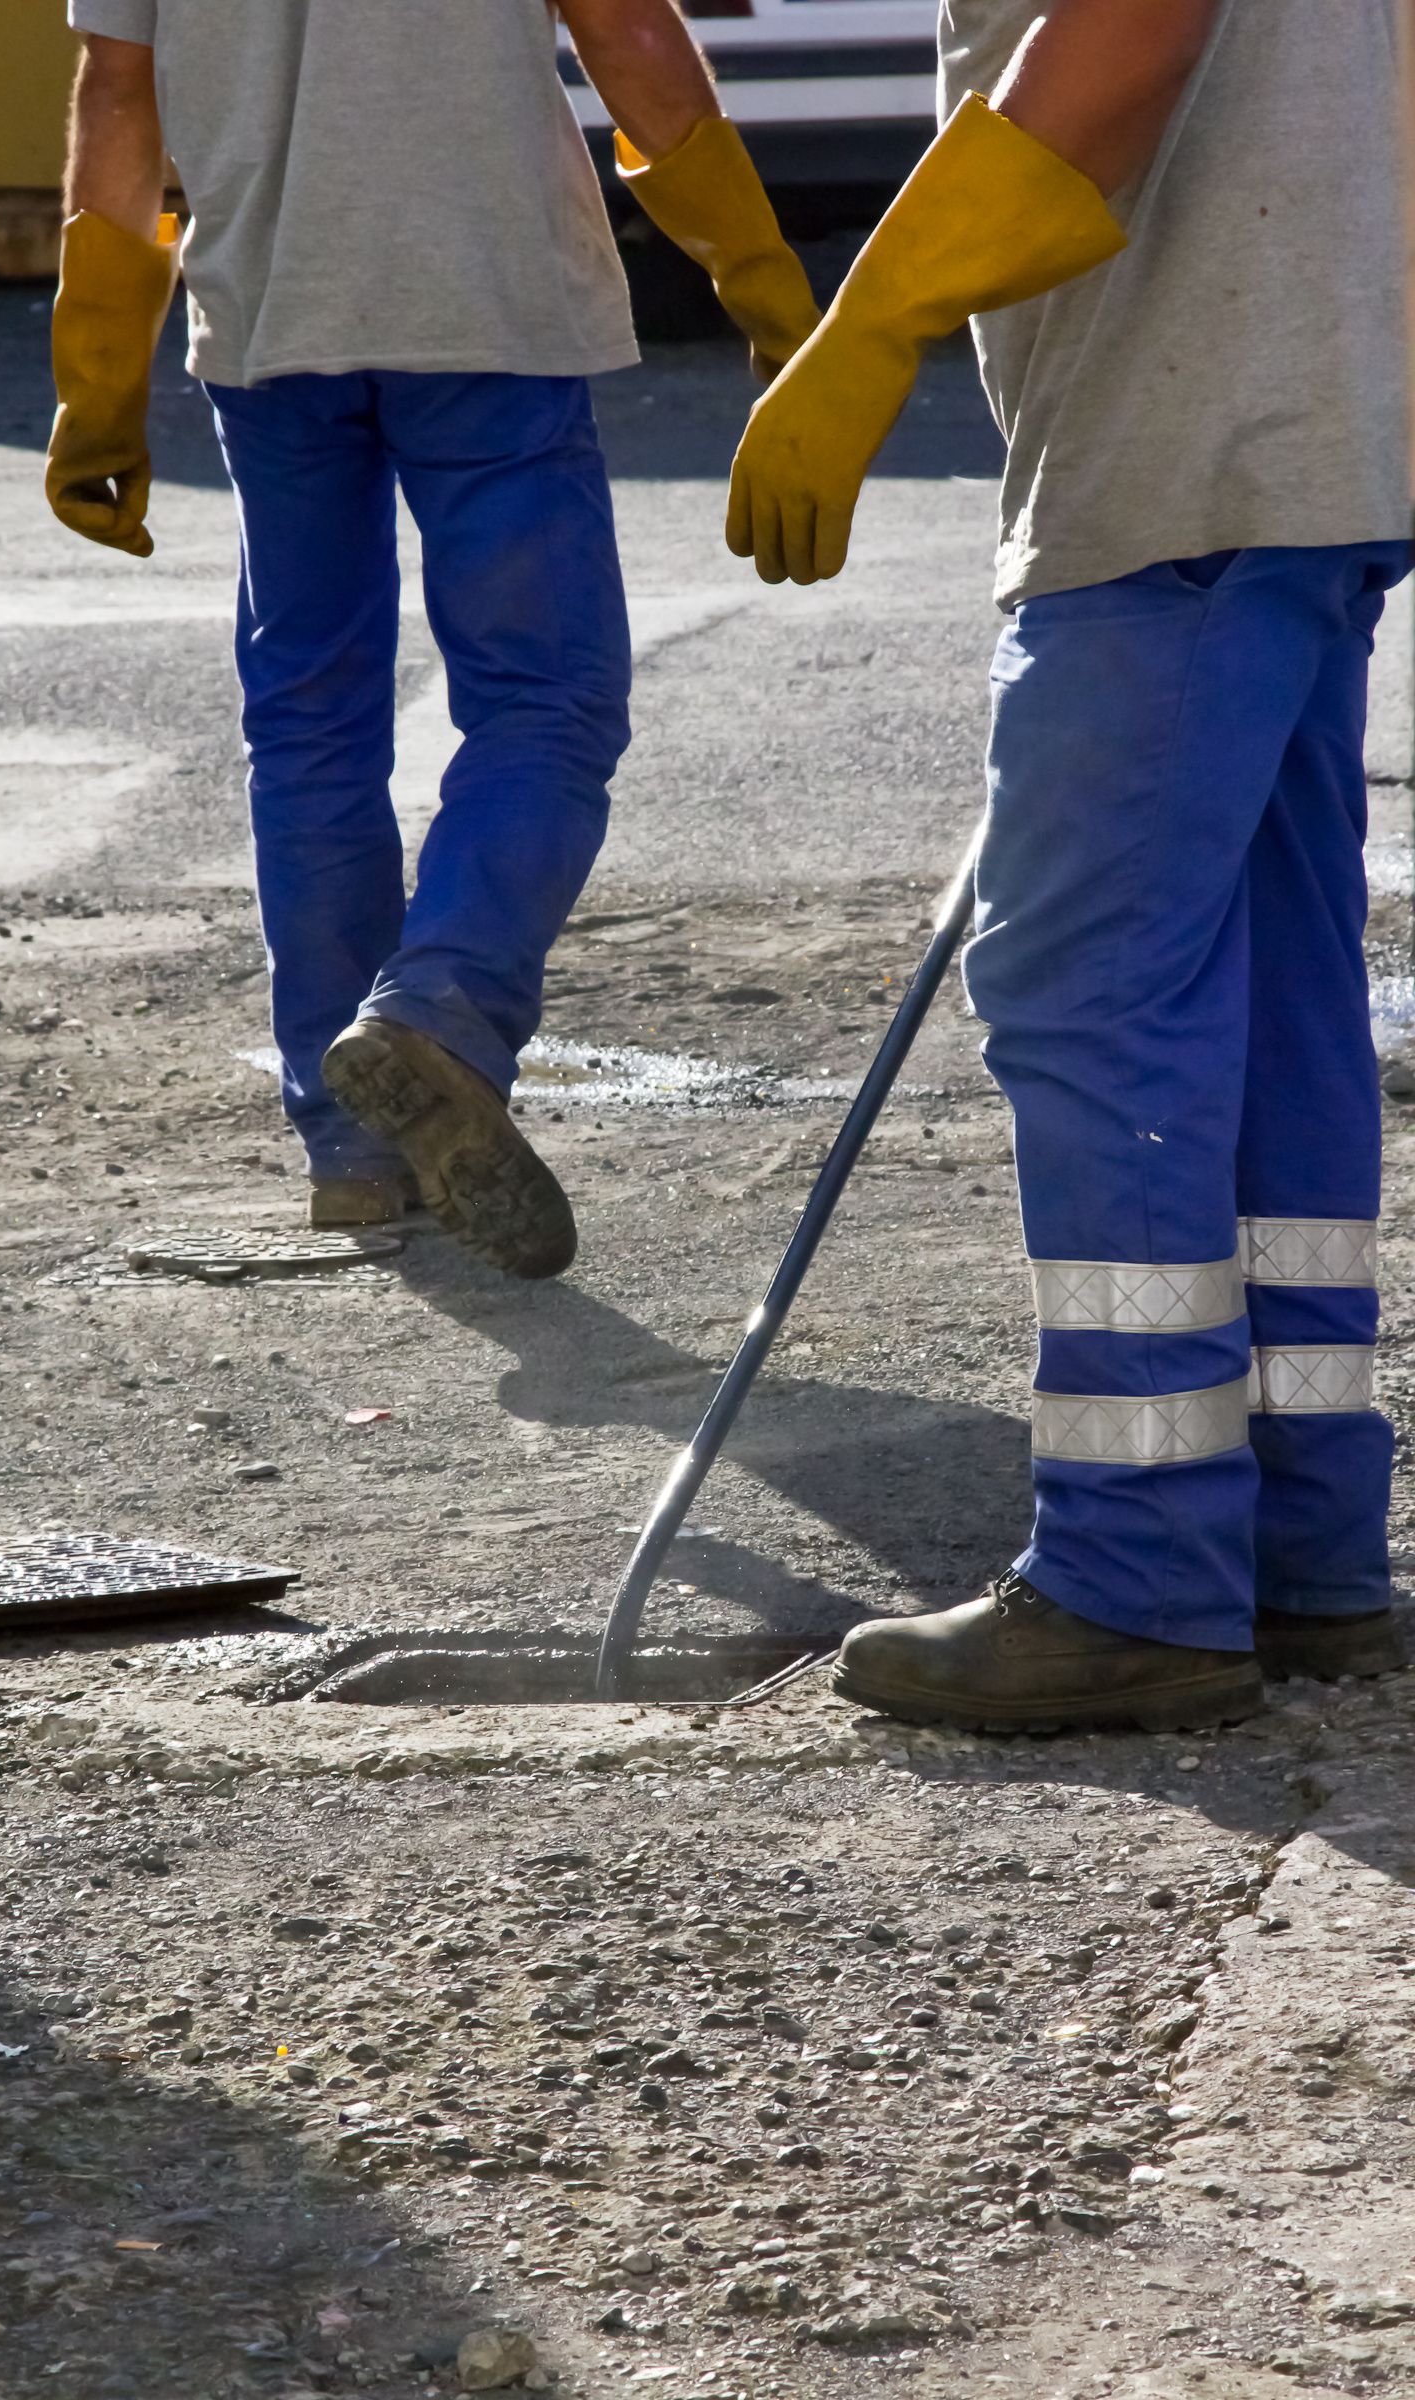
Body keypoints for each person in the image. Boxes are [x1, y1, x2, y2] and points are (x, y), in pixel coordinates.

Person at [727, 0, 1412, 1729]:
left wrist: (868, 326)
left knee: (1095, 998)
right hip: (1316, 424)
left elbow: (1123, 36)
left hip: (1179, 449)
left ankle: (1138, 1574)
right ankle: (1301, 1546)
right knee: (1269, 987)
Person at [46, 0, 817, 1276]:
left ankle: (353, 1150)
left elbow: (119, 91)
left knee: (308, 726)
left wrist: (98, 380)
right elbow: (625, 27)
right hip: (488, 306)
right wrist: (761, 276)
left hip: (271, 319)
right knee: (546, 707)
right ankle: (440, 1017)